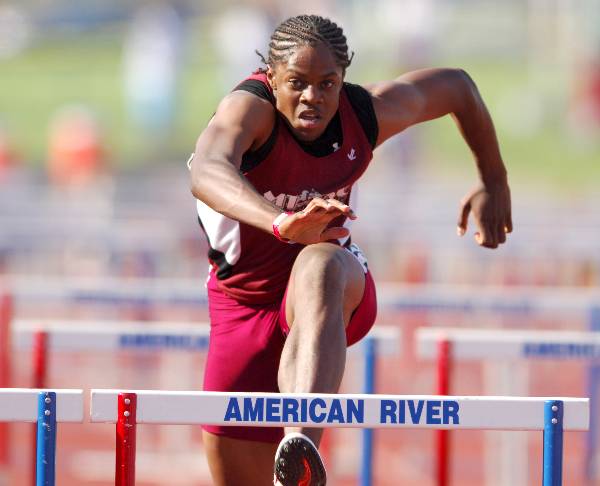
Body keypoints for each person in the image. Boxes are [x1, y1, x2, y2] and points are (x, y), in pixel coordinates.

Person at [189, 14, 512, 486]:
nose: (312, 98)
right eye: (297, 83)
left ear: (343, 81)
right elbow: (206, 171)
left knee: (318, 263)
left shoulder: (364, 113)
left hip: (333, 293)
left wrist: (493, 178)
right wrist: (280, 223)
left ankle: (300, 443)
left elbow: (457, 87)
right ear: (271, 77)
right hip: (243, 306)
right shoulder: (247, 111)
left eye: (327, 84)